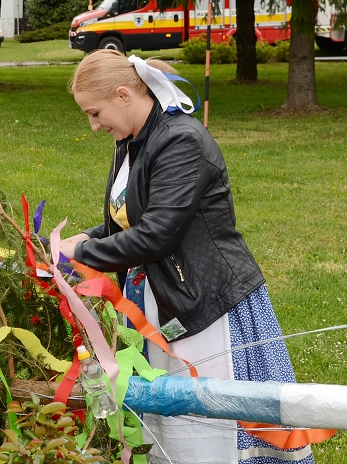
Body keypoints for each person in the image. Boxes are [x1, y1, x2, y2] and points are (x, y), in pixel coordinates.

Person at [59, 49, 313, 464]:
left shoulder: (181, 140)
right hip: (160, 302)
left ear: (123, 95)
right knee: (166, 421)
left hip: (203, 307)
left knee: (206, 424)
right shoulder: (131, 140)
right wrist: (82, 238)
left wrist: (82, 251)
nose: (92, 125)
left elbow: (156, 235)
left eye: (94, 112)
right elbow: (129, 219)